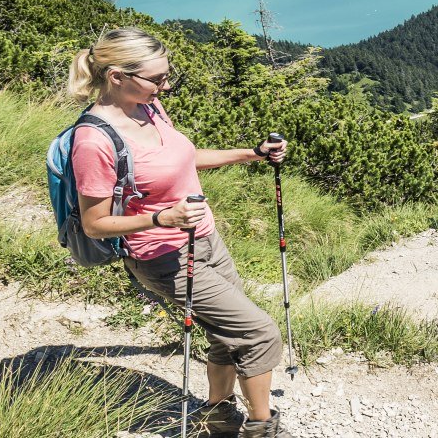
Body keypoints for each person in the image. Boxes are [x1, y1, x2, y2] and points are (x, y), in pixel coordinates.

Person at [67, 27, 292, 437]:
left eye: (168, 76)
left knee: (228, 333)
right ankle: (262, 429)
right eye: (157, 79)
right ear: (116, 76)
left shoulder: (147, 108)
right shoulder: (93, 140)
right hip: (161, 255)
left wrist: (252, 155)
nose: (165, 86)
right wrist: (160, 219)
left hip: (205, 239)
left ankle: (217, 417)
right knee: (259, 332)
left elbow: (182, 158)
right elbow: (94, 223)